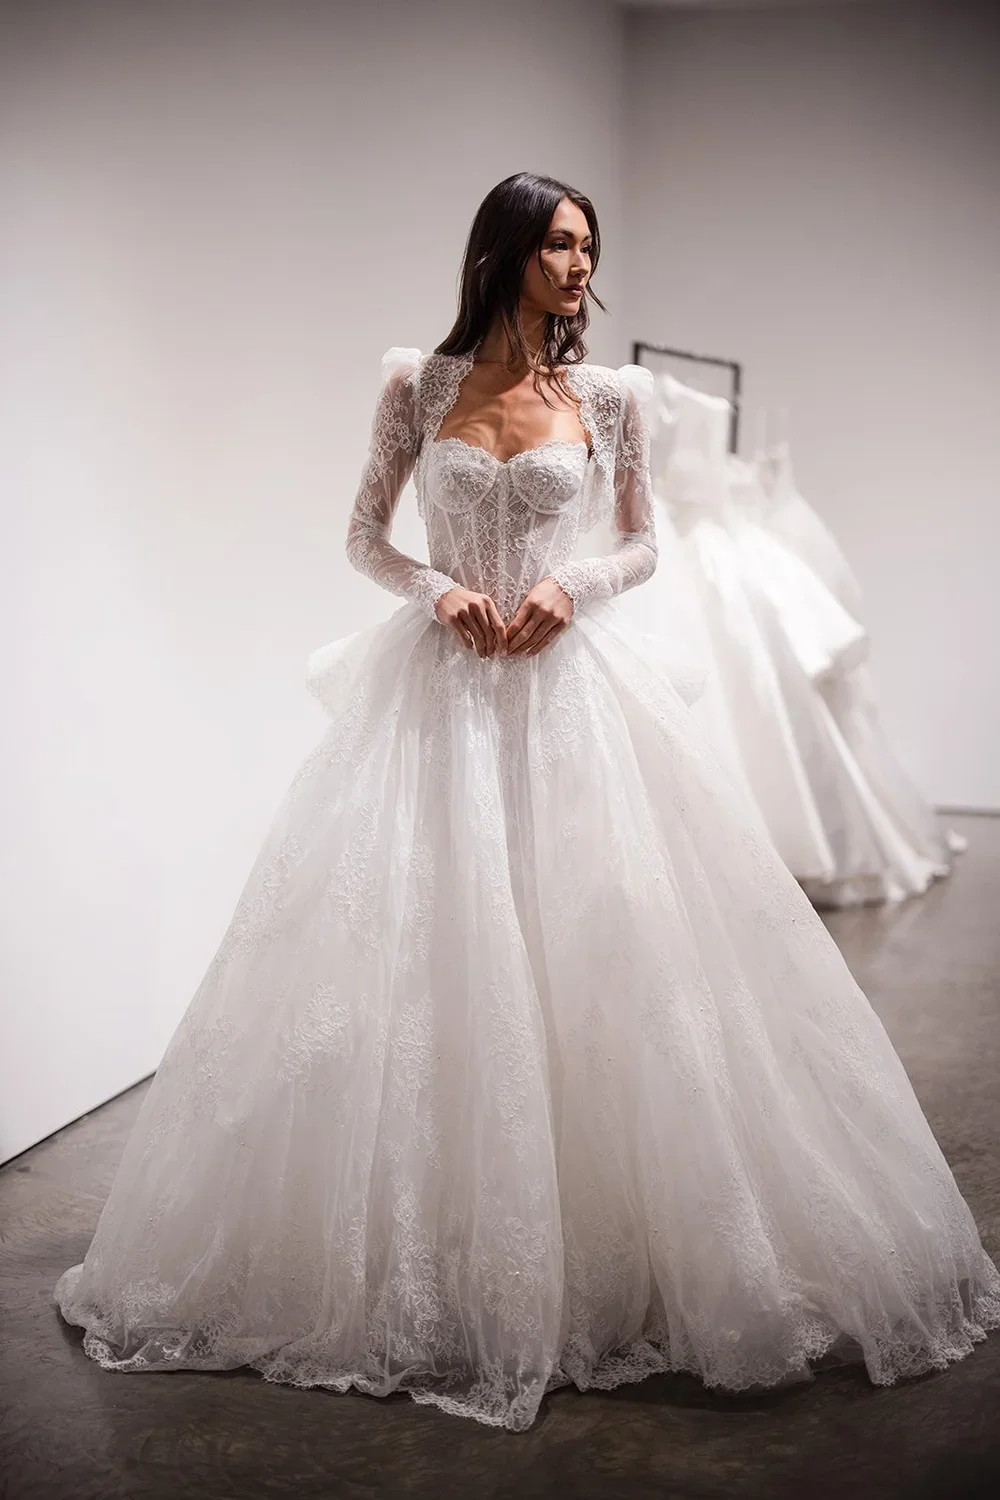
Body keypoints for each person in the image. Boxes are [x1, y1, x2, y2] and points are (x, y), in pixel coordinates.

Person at [54, 172, 1000, 1433]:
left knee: (606, 966)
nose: (577, 269)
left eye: (587, 249)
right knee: (420, 965)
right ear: (501, 254)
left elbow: (646, 540)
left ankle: (602, 1249)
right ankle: (425, 1261)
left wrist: (577, 590)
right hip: (438, 702)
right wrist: (430, 591)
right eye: (558, 245)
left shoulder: (606, 397)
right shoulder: (420, 386)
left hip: (570, 702)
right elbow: (361, 536)